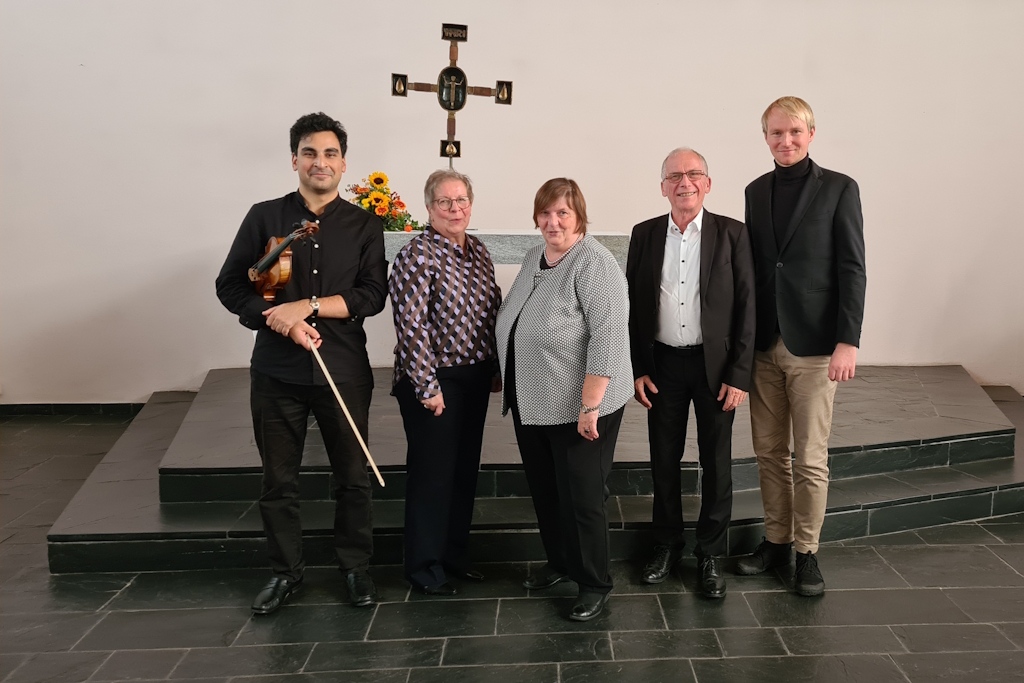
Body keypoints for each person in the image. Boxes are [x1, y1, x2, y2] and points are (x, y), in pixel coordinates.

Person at [216, 112, 387, 614]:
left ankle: (355, 568)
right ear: (294, 159)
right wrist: (278, 319)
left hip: (344, 370)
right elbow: (231, 285)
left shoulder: (364, 224)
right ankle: (284, 573)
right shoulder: (263, 217)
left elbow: (371, 295)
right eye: (310, 152)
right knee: (278, 481)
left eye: (330, 153)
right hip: (277, 373)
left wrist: (307, 307)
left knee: (353, 477)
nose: (320, 162)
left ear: (344, 163)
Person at [736, 96, 866, 596]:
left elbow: (852, 267)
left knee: (809, 457)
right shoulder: (755, 190)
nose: (784, 141)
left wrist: (847, 341)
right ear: (764, 137)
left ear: (811, 133)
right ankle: (775, 542)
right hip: (764, 345)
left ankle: (807, 552)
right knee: (769, 453)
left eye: (794, 132)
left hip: (815, 345)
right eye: (775, 133)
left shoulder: (839, 188)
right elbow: (755, 268)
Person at [495, 178, 632, 622]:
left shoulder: (595, 263)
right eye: (545, 213)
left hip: (581, 404)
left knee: (582, 495)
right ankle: (560, 563)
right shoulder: (538, 254)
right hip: (534, 398)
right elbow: (515, 317)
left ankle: (593, 581)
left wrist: (590, 404)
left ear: (579, 216)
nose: (553, 222)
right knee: (548, 491)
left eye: (563, 213)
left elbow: (608, 339)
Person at [626, 148, 756, 598]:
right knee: (663, 460)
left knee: (717, 462)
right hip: (662, 365)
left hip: (716, 368)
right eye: (675, 176)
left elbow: (747, 309)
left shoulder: (733, 234)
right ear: (663, 186)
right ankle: (666, 543)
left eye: (694, 173)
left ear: (708, 182)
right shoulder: (643, 235)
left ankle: (710, 555)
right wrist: (637, 368)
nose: (685, 182)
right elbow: (633, 309)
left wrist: (740, 374)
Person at [389, 169, 501, 596]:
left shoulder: (478, 251)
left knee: (463, 472)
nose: (455, 209)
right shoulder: (416, 255)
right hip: (433, 379)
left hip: (472, 378)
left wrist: (492, 368)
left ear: (470, 204)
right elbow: (411, 325)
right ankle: (423, 566)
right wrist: (425, 385)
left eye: (461, 201)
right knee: (433, 475)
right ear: (429, 207)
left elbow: (490, 312)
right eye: (445, 202)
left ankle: (453, 556)